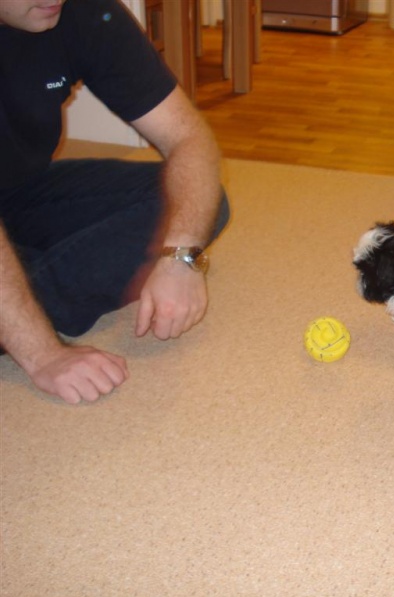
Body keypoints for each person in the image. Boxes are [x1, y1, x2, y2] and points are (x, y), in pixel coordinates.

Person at [0, 0, 230, 404]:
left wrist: (181, 257)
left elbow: (188, 138)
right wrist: (43, 355)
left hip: (18, 190)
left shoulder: (84, 10)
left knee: (197, 203)